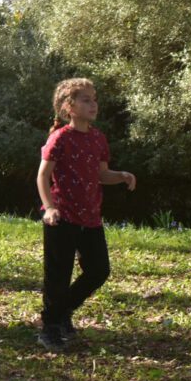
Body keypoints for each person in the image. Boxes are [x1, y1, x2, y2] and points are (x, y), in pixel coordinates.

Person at [35, 77, 136, 353]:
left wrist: (121, 176)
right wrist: (50, 207)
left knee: (99, 270)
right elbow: (42, 176)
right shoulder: (60, 137)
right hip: (62, 216)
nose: (94, 105)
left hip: (91, 217)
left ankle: (62, 311)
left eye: (95, 100)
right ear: (69, 106)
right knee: (58, 275)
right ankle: (51, 328)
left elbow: (102, 174)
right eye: (86, 100)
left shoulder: (98, 138)